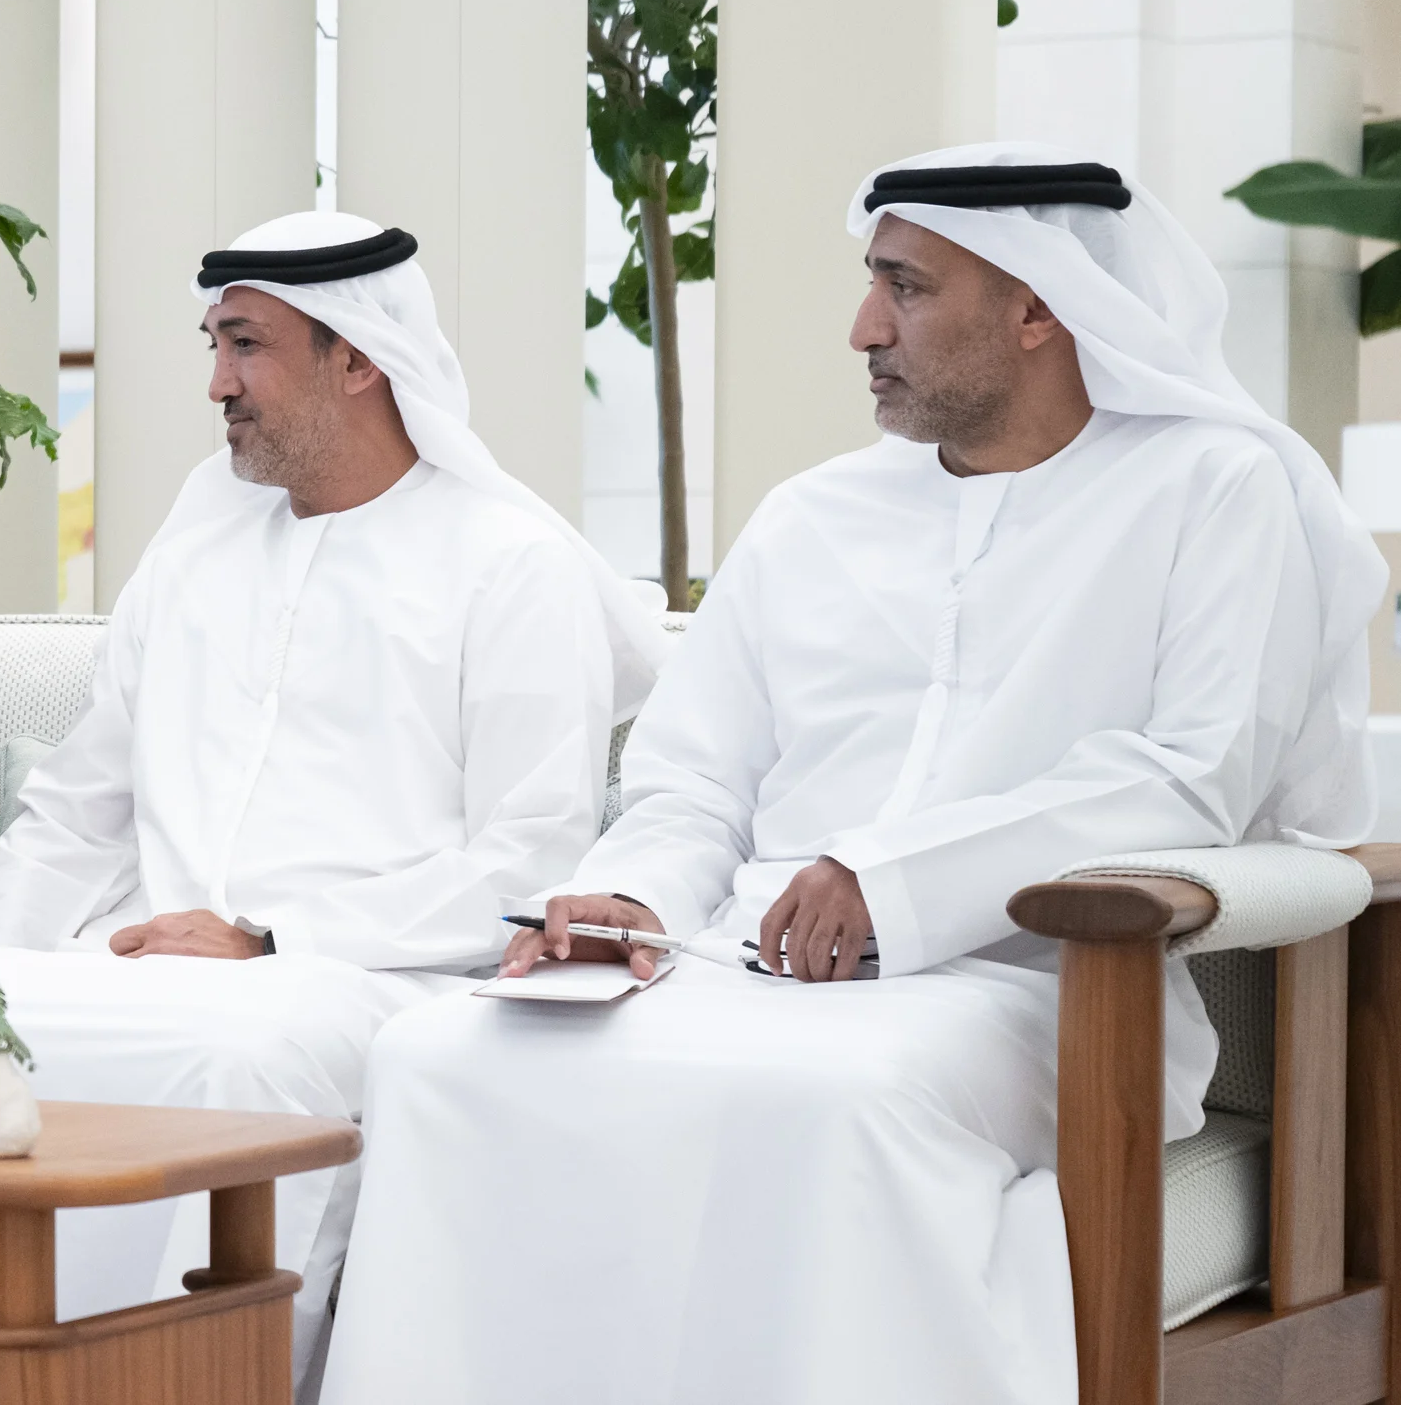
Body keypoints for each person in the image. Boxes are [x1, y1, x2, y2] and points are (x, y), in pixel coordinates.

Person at [320, 146, 1381, 1405]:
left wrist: (892, 879)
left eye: (906, 288)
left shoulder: (1214, 488)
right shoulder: (810, 514)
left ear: (1038, 305)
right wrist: (634, 899)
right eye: (873, 282)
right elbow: (692, 778)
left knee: (842, 1094)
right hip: (731, 964)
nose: (863, 327)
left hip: (1041, 988)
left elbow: (1190, 777)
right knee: (439, 1056)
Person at [0, 213, 654, 1386]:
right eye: (214, 344)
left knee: (239, 1060)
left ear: (358, 357)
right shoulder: (195, 553)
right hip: (143, 966)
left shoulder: (511, 564)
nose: (217, 382)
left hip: (373, 976)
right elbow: (76, 809)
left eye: (246, 345)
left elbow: (528, 859)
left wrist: (272, 935)